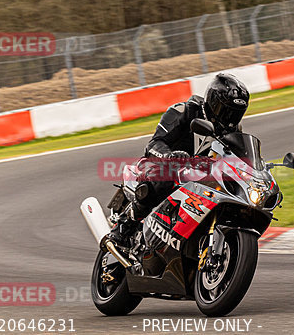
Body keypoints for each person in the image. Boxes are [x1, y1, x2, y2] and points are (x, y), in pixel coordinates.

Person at [106, 73, 250, 247]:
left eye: (235, 114)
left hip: (196, 176)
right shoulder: (184, 111)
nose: (229, 118)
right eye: (225, 111)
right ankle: (124, 225)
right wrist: (168, 156)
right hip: (159, 164)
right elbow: (155, 143)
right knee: (166, 174)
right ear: (212, 102)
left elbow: (238, 159)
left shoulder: (233, 131)